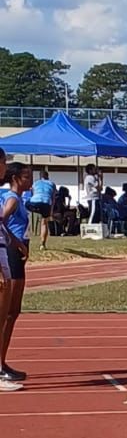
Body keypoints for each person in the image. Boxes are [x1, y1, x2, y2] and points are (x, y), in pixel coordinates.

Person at [0, 161, 33, 385]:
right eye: (26, 177)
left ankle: (2, 362)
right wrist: (17, 243)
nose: (30, 181)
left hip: (15, 255)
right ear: (15, 179)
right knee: (7, 313)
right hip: (10, 255)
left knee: (13, 313)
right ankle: (0, 365)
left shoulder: (19, 198)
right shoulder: (12, 199)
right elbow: (2, 220)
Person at [28, 171, 54, 249]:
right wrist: (51, 210)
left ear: (40, 177)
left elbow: (32, 193)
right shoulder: (52, 184)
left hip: (34, 203)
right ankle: (42, 244)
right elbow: (53, 198)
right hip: (46, 203)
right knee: (44, 223)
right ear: (48, 176)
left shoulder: (35, 183)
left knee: (26, 205)